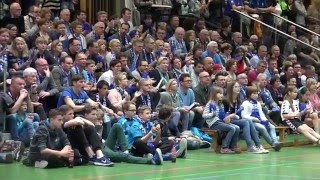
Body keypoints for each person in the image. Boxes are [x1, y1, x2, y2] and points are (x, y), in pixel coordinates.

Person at [241, 86, 281, 152]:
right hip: (251, 122)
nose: (256, 95)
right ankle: (273, 144)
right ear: (249, 94)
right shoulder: (245, 103)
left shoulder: (258, 103)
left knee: (271, 126)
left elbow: (261, 113)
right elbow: (244, 115)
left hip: (259, 120)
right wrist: (254, 119)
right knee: (262, 128)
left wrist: (265, 120)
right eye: (254, 93)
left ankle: (275, 141)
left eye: (257, 93)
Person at [202, 86, 239, 154]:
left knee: (237, 128)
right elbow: (204, 115)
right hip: (214, 123)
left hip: (220, 122)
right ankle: (224, 147)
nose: (222, 95)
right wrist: (212, 114)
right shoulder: (210, 103)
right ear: (214, 94)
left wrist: (228, 118)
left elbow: (222, 116)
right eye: (219, 93)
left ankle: (232, 146)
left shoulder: (220, 104)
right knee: (232, 128)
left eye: (222, 93)